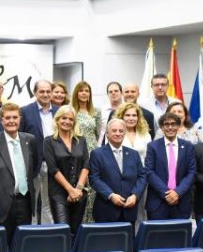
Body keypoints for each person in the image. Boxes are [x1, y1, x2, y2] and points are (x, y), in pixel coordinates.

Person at [0, 102, 37, 243]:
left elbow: (33, 168)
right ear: (1, 120)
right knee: (2, 246)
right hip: (1, 204)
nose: (11, 121)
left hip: (25, 202)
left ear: (20, 119)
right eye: (8, 117)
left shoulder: (30, 139)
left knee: (22, 244)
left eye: (15, 117)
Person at [89, 119, 147, 231]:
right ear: (107, 133)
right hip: (106, 210)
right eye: (114, 130)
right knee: (107, 246)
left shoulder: (134, 154)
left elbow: (142, 176)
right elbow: (94, 179)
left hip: (129, 209)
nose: (118, 133)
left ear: (125, 133)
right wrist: (111, 195)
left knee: (128, 244)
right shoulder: (97, 154)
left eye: (121, 131)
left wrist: (135, 195)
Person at [43, 105, 89, 238]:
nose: (67, 122)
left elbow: (86, 164)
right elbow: (53, 169)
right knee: (63, 232)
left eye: (70, 119)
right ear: (57, 120)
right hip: (59, 194)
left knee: (76, 232)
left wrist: (78, 189)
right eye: (64, 118)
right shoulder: (49, 141)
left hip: (80, 193)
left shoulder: (81, 140)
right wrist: (70, 190)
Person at [144, 113, 196, 220]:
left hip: (181, 202)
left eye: (173, 124)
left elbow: (192, 172)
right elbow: (149, 172)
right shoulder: (152, 146)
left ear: (178, 126)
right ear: (162, 127)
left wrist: (177, 192)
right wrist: (168, 194)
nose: (170, 127)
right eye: (166, 124)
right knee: (157, 236)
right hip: (158, 203)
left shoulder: (188, 147)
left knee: (180, 236)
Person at [20, 80, 57, 224]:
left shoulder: (59, 110)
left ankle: (48, 234)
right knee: (33, 202)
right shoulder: (25, 111)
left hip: (54, 164)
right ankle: (32, 233)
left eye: (48, 91)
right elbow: (21, 137)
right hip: (33, 163)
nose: (46, 94)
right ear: (35, 93)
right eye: (42, 91)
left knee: (49, 203)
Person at [114, 102, 152, 222]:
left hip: (142, 179)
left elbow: (149, 159)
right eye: (128, 115)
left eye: (134, 115)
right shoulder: (116, 133)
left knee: (141, 212)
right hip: (122, 179)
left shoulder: (145, 135)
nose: (131, 118)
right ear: (121, 116)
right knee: (124, 211)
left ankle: (140, 239)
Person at [71, 81, 101, 223]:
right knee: (81, 186)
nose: (84, 93)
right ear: (76, 93)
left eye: (87, 91)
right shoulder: (71, 111)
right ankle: (80, 223)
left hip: (93, 151)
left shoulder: (96, 112)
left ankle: (91, 222)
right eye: (81, 90)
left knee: (94, 187)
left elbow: (98, 133)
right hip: (77, 151)